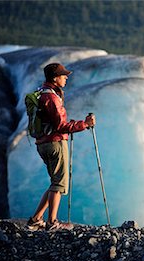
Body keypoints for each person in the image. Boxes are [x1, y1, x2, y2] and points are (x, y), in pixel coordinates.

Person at [27, 63, 95, 231]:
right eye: (63, 75)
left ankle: (36, 218)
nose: (66, 77)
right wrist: (84, 124)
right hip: (55, 143)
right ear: (55, 78)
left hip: (43, 143)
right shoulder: (51, 98)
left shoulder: (42, 93)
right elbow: (61, 126)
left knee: (54, 182)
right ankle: (52, 222)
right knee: (59, 183)